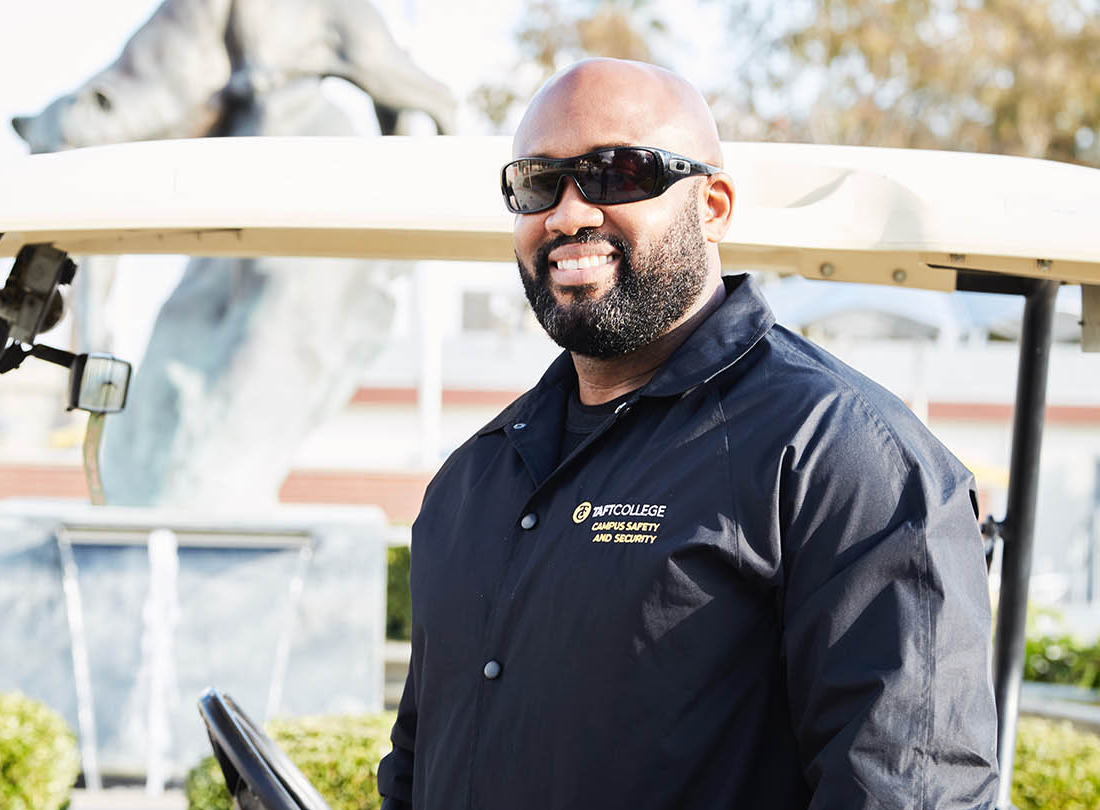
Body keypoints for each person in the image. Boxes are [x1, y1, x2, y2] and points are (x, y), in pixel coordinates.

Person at [376, 59, 998, 810]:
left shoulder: (846, 457)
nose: (569, 213)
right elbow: (415, 765)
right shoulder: (472, 478)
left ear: (714, 207)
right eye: (539, 182)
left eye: (617, 172)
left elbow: (910, 793)